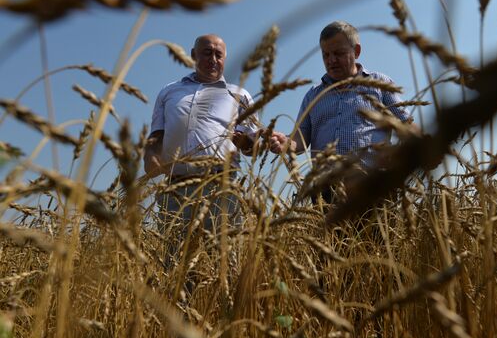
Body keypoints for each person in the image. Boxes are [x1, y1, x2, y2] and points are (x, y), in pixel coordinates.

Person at [144, 34, 259, 267]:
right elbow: (156, 135)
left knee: (224, 261)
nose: (213, 59)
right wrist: (151, 157)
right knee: (174, 263)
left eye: (219, 54)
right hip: (176, 188)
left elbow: (253, 148)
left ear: (225, 59)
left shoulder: (240, 95)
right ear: (194, 55)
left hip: (221, 187)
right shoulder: (169, 91)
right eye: (207, 53)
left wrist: (246, 143)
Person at [269, 21, 416, 203]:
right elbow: (300, 140)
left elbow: (407, 125)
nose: (331, 60)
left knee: (377, 233)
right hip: (325, 193)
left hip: (373, 186)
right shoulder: (313, 96)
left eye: (338, 53)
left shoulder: (380, 85)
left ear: (356, 51)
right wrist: (286, 144)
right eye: (326, 55)